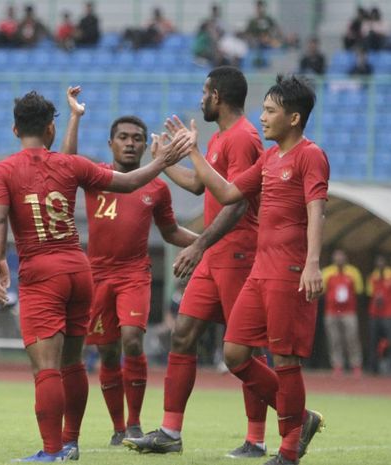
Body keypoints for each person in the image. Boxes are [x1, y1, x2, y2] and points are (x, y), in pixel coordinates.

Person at [0, 90, 193, 462]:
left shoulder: (1, 170)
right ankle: (70, 442)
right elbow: (129, 183)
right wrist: (162, 161)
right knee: (73, 362)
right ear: (51, 129)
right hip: (81, 270)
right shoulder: (70, 165)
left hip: (41, 271)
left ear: (16, 129)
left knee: (47, 368)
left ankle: (51, 451)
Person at [161, 74, 328, 465]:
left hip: (289, 270)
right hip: (259, 270)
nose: (263, 117)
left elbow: (316, 208)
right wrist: (194, 153)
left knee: (285, 360)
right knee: (235, 354)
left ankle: (288, 451)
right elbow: (229, 193)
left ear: (294, 118)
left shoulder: (310, 155)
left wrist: (313, 263)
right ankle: (300, 419)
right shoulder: (270, 158)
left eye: (271, 111)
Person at [123, 66, 268, 458]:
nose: (201, 98)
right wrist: (164, 160)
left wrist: (199, 244)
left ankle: (258, 437)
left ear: (217, 96)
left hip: (238, 253)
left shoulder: (243, 138)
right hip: (215, 253)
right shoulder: (222, 137)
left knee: (245, 349)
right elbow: (200, 184)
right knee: (183, 334)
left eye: (205, 92)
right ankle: (170, 431)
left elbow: (236, 205)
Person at [60, 89, 199, 446]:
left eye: (137, 138)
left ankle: (136, 424)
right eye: (123, 137)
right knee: (107, 351)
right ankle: (118, 428)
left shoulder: (157, 187)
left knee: (132, 340)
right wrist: (75, 116)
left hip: (134, 275)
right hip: (98, 277)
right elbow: (65, 161)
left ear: (144, 145)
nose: (131, 144)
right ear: (111, 143)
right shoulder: (97, 176)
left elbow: (169, 232)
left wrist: (204, 241)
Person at [321, 249, 363, 378]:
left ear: (345, 258)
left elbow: (359, 290)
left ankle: (356, 365)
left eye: (341, 257)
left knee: (352, 338)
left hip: (349, 312)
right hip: (331, 311)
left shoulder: (353, 272)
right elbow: (322, 291)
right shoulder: (327, 272)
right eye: (336, 257)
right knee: (334, 339)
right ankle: (337, 365)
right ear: (333, 259)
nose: (339, 259)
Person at [367, 255, 391, 374]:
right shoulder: (372, 277)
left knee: (389, 340)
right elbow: (369, 294)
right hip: (374, 314)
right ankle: (373, 368)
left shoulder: (390, 275)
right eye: (378, 262)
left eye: (382, 262)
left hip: (388, 314)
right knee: (373, 341)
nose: (380, 264)